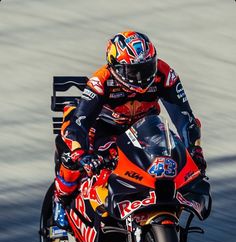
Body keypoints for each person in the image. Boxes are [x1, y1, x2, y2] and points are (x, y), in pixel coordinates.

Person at [53, 30, 207, 228]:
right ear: (115, 67)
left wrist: (195, 151)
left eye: (147, 67)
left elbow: (184, 117)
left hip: (144, 127)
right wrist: (81, 154)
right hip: (102, 129)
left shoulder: (164, 74)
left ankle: (157, 201)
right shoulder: (101, 81)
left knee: (173, 152)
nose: (141, 77)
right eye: (133, 71)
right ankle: (61, 198)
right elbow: (81, 121)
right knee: (70, 143)